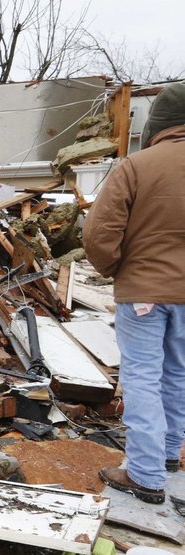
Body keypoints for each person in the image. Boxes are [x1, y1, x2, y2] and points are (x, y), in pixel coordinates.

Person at [83, 82, 185, 505]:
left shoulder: (136, 165)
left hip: (143, 292)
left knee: (142, 377)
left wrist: (114, 269)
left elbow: (98, 232)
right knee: (178, 374)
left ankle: (144, 475)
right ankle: (166, 456)